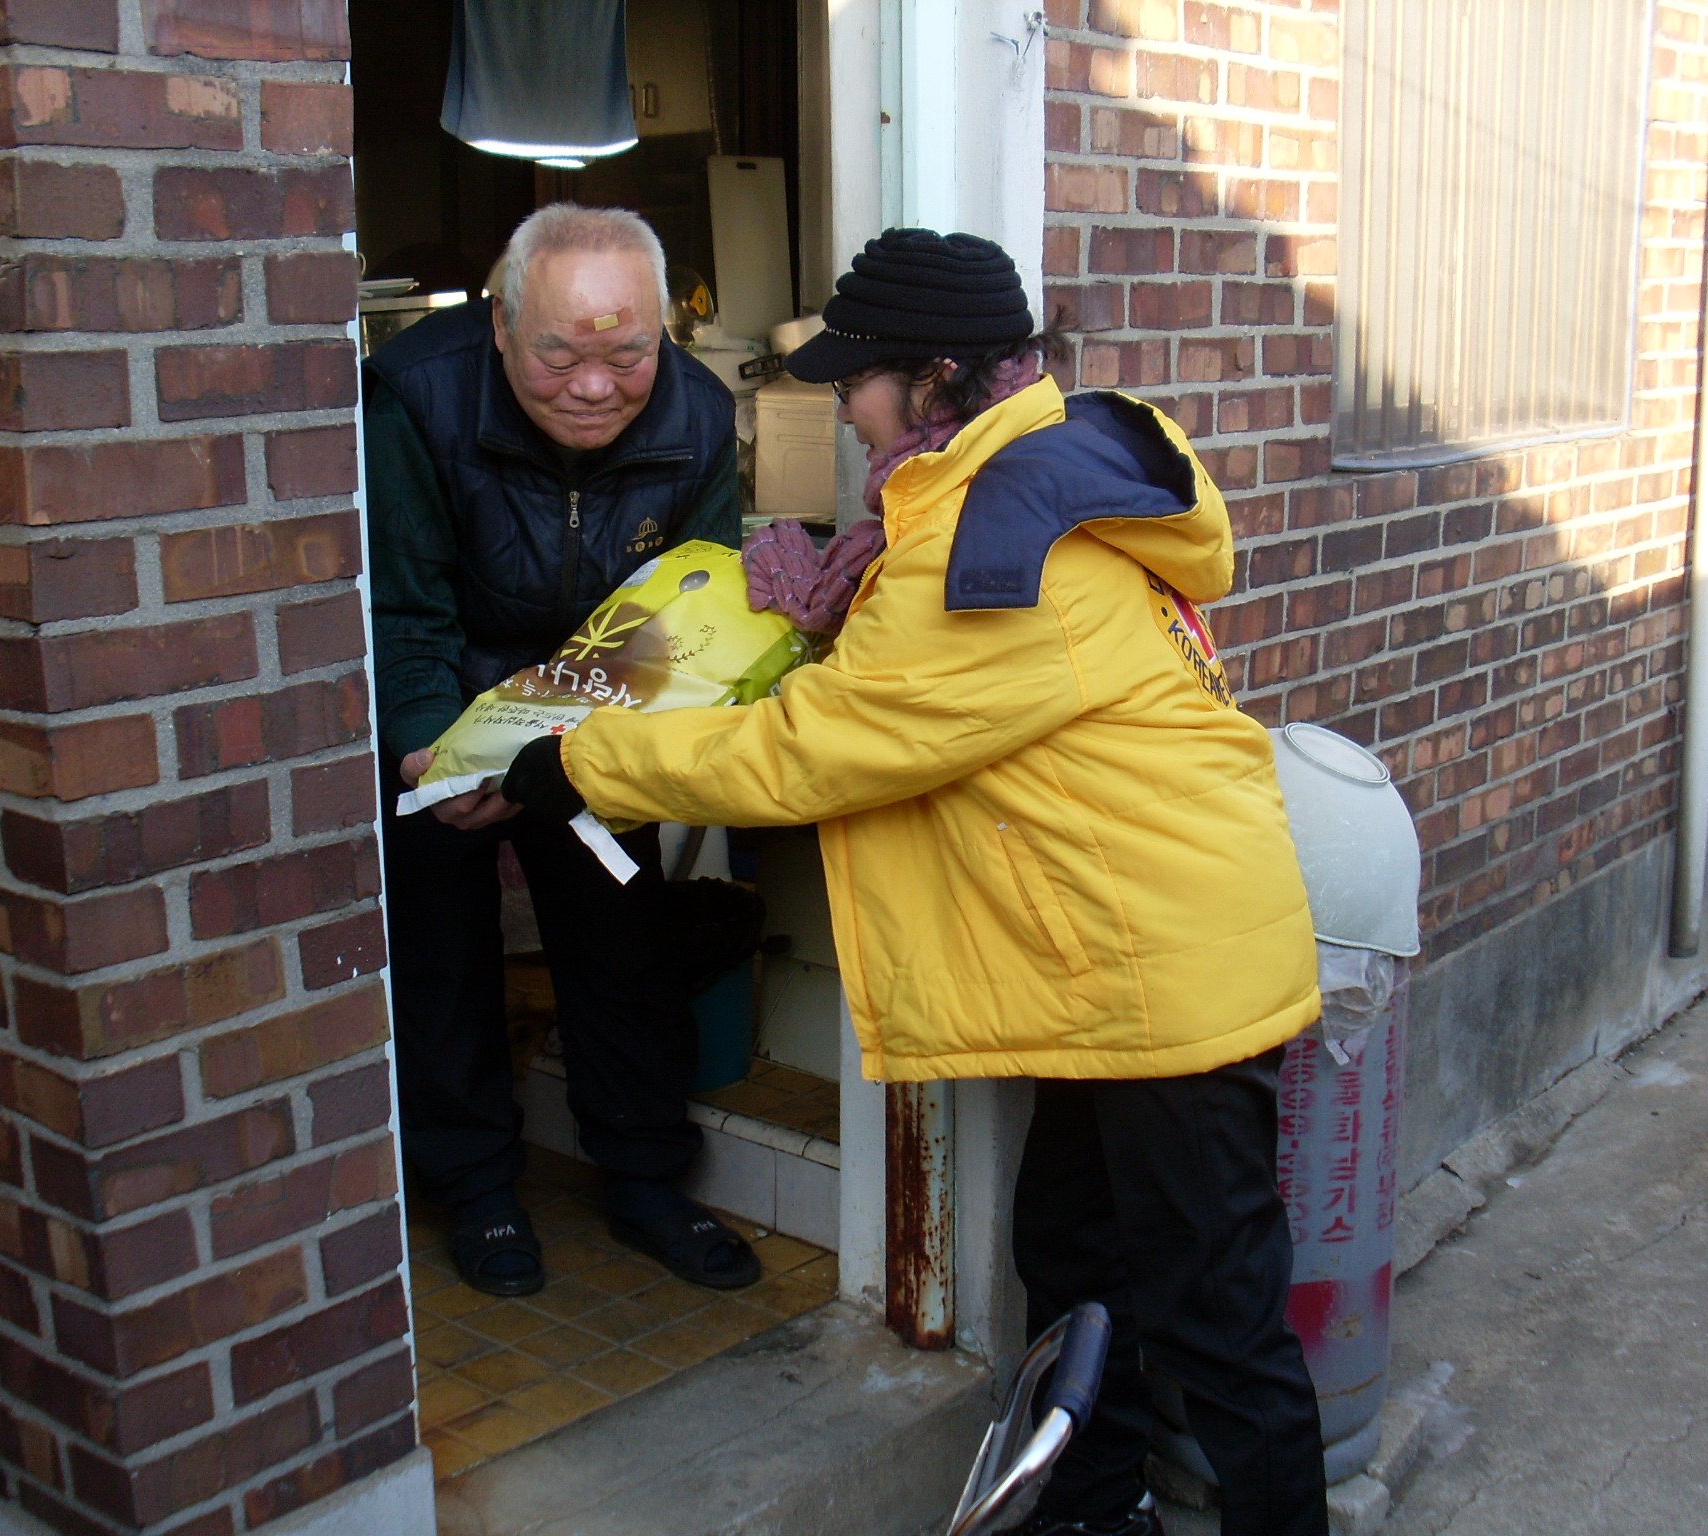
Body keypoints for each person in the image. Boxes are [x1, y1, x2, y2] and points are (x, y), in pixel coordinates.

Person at [466, 227, 1332, 1536]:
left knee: (1221, 1326)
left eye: (855, 379)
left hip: (1172, 985)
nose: (842, 404)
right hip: (1131, 963)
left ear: (931, 380)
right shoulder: (1029, 473)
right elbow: (884, 686)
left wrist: (584, 762)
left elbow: (822, 749)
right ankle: (1092, 1514)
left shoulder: (999, 539)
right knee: (1079, 1260)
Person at [364, 202, 761, 1298]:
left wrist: (594, 751)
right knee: (441, 947)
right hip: (448, 702)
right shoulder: (413, 396)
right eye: (560, 354)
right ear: (499, 325)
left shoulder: (696, 413)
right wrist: (429, 754)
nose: (595, 386)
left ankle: (642, 1180)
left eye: (626, 353)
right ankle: (477, 1188)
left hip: (603, 707)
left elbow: (696, 618)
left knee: (622, 942)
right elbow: (402, 607)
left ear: (660, 338)